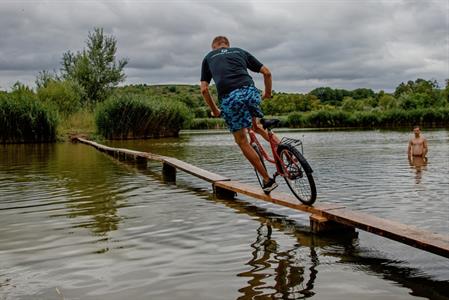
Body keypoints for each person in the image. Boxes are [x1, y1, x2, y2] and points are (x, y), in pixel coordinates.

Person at [200, 36, 279, 193]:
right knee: (257, 126)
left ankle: (267, 180)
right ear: (227, 45)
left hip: (230, 99)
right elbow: (267, 73)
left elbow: (204, 89)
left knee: (242, 140)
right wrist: (268, 93)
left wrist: (215, 110)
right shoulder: (240, 51)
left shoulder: (209, 57)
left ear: (213, 47)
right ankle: (286, 152)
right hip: (250, 92)